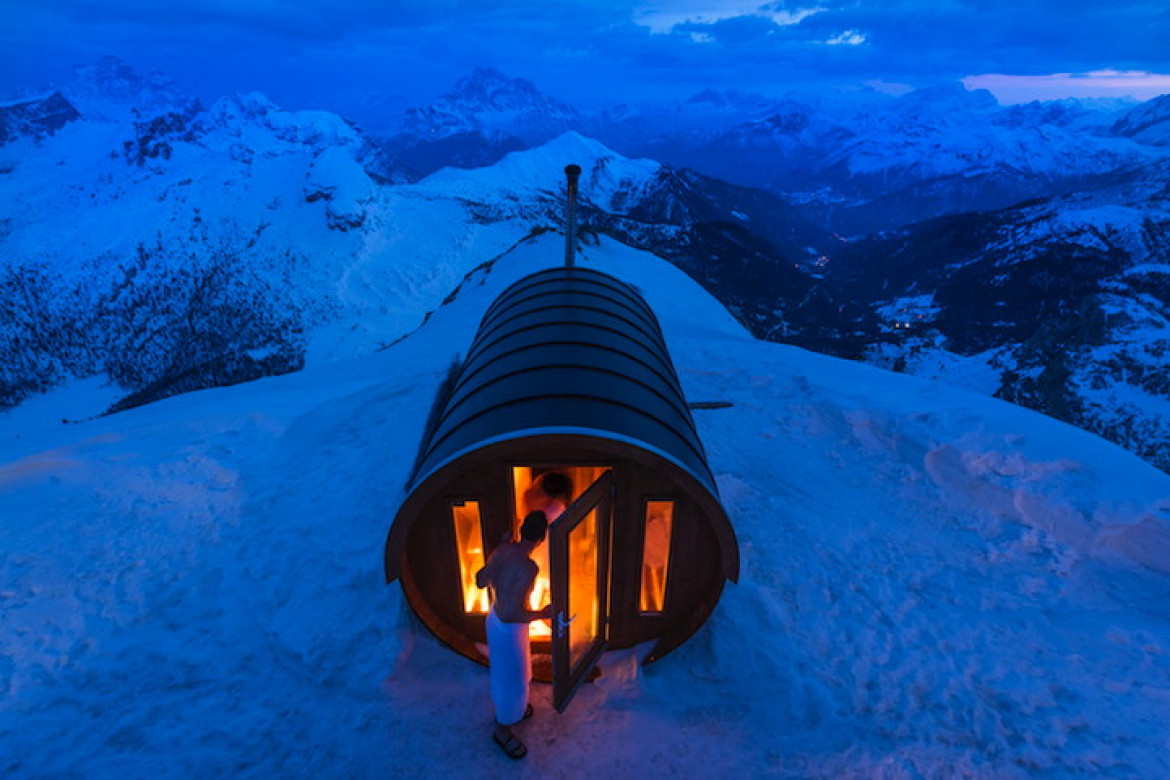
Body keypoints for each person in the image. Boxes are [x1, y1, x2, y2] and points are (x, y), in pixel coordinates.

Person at [475, 511, 552, 759]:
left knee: (512, 673)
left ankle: (515, 710)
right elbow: (513, 613)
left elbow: (479, 581)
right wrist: (543, 613)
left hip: (494, 620)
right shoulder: (528, 568)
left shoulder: (502, 549)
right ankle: (502, 729)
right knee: (512, 680)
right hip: (509, 629)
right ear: (541, 539)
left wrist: (498, 550)